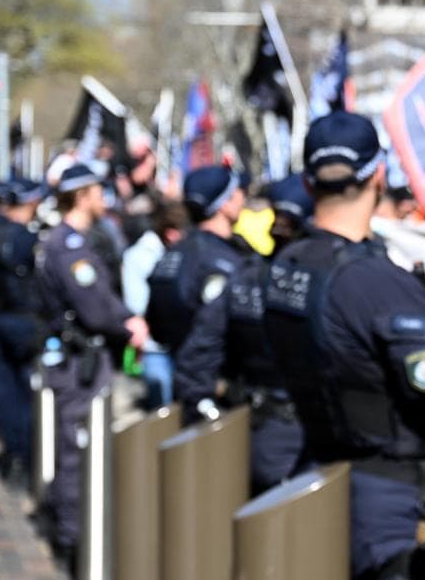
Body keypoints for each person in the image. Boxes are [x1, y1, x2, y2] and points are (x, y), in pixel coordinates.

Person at [262, 111, 425, 580]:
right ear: (380, 176)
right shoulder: (373, 280)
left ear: (308, 183)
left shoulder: (287, 265)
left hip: (319, 474)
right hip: (388, 500)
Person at [36, 164, 148, 568]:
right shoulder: (69, 247)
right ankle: (71, 539)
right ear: (82, 196)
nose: (105, 199)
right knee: (75, 449)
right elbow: (95, 306)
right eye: (98, 191)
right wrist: (127, 322)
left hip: (78, 358)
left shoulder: (72, 242)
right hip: (78, 362)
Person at [174, 174, 313, 495]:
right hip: (300, 441)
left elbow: (196, 358)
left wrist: (208, 412)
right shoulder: (329, 280)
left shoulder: (246, 276)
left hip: (259, 433)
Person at [145, 166, 249, 407]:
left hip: (183, 381)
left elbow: (156, 327)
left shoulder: (172, 255)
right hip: (215, 391)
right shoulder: (221, 261)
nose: (243, 198)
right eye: (237, 192)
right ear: (225, 204)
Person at [0, 179, 47, 486]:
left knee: (7, 391)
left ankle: (13, 452)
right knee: (24, 395)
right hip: (23, 322)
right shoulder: (26, 239)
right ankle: (24, 458)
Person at [120, 200, 188, 409]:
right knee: (162, 412)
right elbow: (137, 304)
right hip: (154, 348)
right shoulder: (138, 256)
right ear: (171, 233)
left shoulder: (182, 253)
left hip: (181, 345)